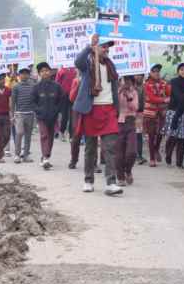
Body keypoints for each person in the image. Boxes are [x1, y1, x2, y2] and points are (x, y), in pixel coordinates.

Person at [72, 35, 123, 196]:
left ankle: (111, 183)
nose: (106, 49)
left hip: (108, 109)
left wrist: (117, 109)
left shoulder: (111, 66)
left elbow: (114, 89)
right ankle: (88, 180)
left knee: (110, 148)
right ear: (96, 47)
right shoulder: (88, 64)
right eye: (103, 46)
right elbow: (77, 62)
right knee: (90, 148)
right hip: (91, 110)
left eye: (108, 47)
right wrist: (90, 46)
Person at [33, 61, 65, 170]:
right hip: (41, 117)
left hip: (53, 117)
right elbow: (33, 102)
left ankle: (45, 156)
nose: (45, 73)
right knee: (44, 135)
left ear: (50, 72)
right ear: (39, 74)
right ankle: (46, 158)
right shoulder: (36, 87)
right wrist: (38, 111)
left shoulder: (57, 86)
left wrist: (57, 111)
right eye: (42, 71)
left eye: (46, 70)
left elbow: (61, 100)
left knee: (50, 138)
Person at [165, 64, 184, 167]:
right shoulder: (174, 81)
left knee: (182, 138)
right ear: (178, 71)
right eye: (181, 69)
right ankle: (168, 155)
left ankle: (179, 162)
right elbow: (178, 96)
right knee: (173, 135)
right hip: (174, 111)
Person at [142, 64, 170, 167]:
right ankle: (152, 158)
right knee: (151, 135)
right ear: (150, 73)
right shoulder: (146, 84)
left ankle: (156, 148)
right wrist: (164, 100)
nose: (157, 73)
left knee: (160, 133)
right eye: (154, 71)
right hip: (150, 113)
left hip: (161, 112)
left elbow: (169, 93)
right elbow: (152, 98)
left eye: (158, 71)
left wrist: (168, 98)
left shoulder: (164, 83)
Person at [115, 75, 140, 186]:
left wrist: (128, 96)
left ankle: (128, 170)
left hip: (130, 122)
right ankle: (120, 177)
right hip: (118, 122)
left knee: (132, 151)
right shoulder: (116, 91)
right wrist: (120, 92)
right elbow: (114, 105)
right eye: (125, 79)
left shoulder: (134, 92)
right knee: (119, 153)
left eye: (129, 80)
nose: (127, 82)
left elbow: (135, 107)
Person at [10, 66, 38, 164]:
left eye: (26, 73)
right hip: (19, 114)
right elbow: (13, 102)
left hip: (30, 113)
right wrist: (12, 115)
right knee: (19, 133)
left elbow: (35, 100)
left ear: (29, 75)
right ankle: (17, 155)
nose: (24, 75)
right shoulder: (16, 87)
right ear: (19, 75)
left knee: (28, 135)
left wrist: (35, 112)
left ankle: (26, 155)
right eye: (22, 73)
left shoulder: (33, 86)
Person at [55, 64, 77, 141]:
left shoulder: (74, 70)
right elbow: (57, 83)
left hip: (73, 95)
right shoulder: (62, 70)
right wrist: (58, 95)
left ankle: (71, 135)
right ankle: (62, 132)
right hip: (64, 96)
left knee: (72, 116)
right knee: (64, 115)